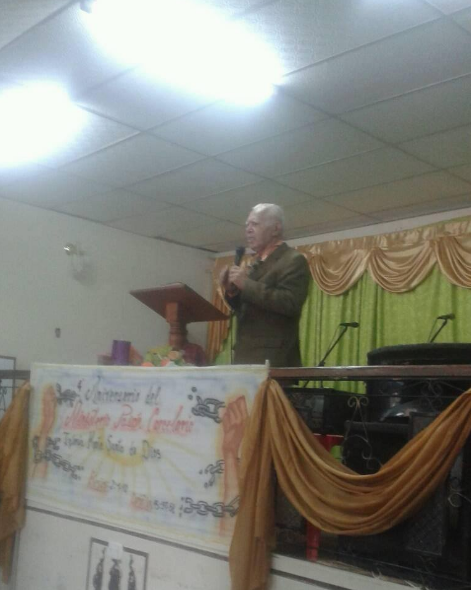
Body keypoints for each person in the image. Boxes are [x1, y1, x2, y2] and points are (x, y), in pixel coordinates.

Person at [220, 203, 310, 367]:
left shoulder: (293, 260)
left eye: (254, 224)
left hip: (274, 360)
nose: (248, 230)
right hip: (245, 356)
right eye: (247, 225)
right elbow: (247, 308)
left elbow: (290, 302)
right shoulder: (255, 263)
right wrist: (232, 292)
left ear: (276, 229)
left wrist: (245, 284)